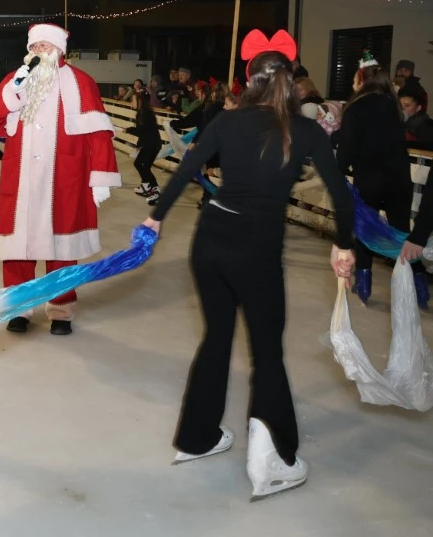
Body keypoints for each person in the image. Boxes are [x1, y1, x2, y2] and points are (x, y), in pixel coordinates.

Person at [142, 40, 355, 501]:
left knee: (216, 338)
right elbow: (341, 196)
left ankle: (197, 438)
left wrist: (155, 219)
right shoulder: (306, 130)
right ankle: (272, 460)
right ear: (292, 81)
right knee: (266, 353)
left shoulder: (227, 120)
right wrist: (343, 246)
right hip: (256, 251)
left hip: (210, 242)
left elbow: (185, 169)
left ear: (249, 81)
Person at [0, 23, 121, 336]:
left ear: (59, 49)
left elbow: (99, 134)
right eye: (35, 46)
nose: (40, 51)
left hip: (65, 180)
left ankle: (61, 311)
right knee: (16, 251)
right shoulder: (16, 79)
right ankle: (18, 309)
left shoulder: (81, 82)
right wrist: (13, 91)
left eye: (46, 45)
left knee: (61, 250)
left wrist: (100, 176)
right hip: (21, 181)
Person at [335, 50, 424, 307]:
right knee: (402, 232)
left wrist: (338, 172)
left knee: (366, 230)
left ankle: (364, 282)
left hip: (370, 178)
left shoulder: (355, 107)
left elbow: (347, 148)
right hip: (399, 179)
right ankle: (419, 285)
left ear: (361, 79)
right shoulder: (392, 104)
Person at [127, 90, 162, 202]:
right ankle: (146, 185)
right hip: (149, 143)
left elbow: (141, 131)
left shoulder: (145, 114)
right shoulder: (141, 113)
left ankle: (155, 190)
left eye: (132, 100)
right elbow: (143, 133)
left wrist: (129, 130)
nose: (131, 102)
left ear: (140, 101)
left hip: (152, 144)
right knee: (139, 164)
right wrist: (138, 145)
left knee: (144, 166)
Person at [399, 86, 433, 151]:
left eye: (407, 105)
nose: (402, 109)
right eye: (400, 106)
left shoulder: (425, 126)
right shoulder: (403, 123)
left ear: (418, 108)